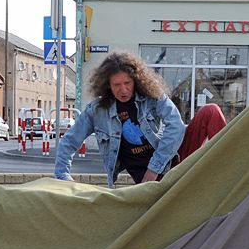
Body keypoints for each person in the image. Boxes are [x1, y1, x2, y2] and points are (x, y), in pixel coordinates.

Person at [55, 51, 186, 187]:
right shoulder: (97, 111)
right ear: (108, 86)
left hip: (174, 160)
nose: (123, 90)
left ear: (136, 80)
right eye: (117, 85)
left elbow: (176, 125)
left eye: (127, 83)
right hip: (147, 180)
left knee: (209, 112)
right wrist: (62, 174)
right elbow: (69, 140)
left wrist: (154, 167)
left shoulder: (153, 97)